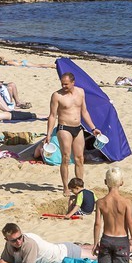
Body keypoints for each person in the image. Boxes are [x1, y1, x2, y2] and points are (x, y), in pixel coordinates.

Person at [46, 71, 101, 201]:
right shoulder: (57, 95)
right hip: (64, 128)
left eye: (66, 84)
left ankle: (79, 186)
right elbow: (53, 115)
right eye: (62, 84)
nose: (64, 86)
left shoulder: (81, 92)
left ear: (73, 82)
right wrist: (48, 134)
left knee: (80, 158)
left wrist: (93, 128)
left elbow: (84, 111)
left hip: (78, 127)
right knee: (65, 157)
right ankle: (65, 186)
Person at [0, 223, 91, 263]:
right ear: (7, 240)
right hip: (60, 247)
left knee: (97, 254)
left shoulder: (29, 243)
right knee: (89, 248)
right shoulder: (9, 245)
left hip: (66, 253)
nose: (18, 241)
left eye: (20, 237)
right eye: (14, 240)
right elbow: (7, 260)